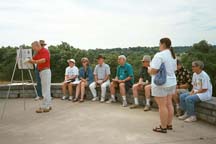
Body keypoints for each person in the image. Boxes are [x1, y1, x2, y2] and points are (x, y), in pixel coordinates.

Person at [149, 38, 176, 133]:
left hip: (161, 84)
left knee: (162, 106)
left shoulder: (159, 55)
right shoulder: (173, 56)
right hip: (172, 82)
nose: (158, 45)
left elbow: (153, 71)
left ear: (163, 44)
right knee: (169, 103)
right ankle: (169, 124)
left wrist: (149, 70)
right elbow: (174, 69)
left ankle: (163, 127)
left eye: (159, 44)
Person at [29, 41, 52, 113]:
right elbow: (33, 59)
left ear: (37, 46)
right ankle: (48, 105)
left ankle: (45, 106)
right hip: (42, 71)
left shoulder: (45, 51)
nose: (33, 49)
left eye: (33, 48)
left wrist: (33, 61)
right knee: (45, 89)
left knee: (45, 90)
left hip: (45, 71)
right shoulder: (38, 53)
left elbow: (43, 60)